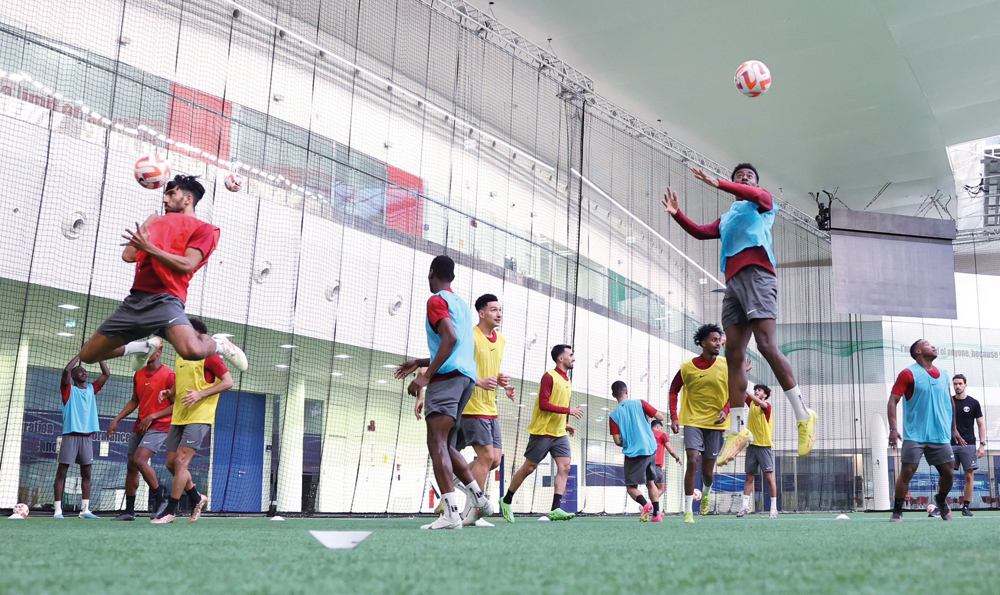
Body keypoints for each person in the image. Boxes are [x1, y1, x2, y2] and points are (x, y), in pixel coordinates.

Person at [664, 164, 816, 457]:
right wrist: (677, 215)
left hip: (758, 275)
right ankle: (737, 430)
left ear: (756, 184)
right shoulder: (726, 219)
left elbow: (753, 193)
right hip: (732, 284)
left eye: (749, 176)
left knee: (767, 345)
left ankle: (803, 415)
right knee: (733, 354)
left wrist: (720, 183)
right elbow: (699, 232)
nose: (743, 178)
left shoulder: (763, 203)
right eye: (739, 176)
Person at [76, 175, 247, 374]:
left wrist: (149, 247)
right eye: (164, 195)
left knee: (191, 351)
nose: (165, 200)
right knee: (87, 356)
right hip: (135, 302)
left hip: (166, 301)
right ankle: (142, 348)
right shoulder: (159, 223)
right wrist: (150, 221)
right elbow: (129, 255)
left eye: (171, 194)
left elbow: (187, 264)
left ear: (188, 199)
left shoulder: (205, 229)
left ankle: (218, 344)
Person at [396, 256, 492, 530]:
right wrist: (421, 361)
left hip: (447, 379)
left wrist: (426, 377)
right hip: (466, 379)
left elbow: (449, 338)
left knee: (436, 443)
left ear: (431, 272)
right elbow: (456, 345)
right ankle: (479, 499)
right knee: (447, 446)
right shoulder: (461, 304)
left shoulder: (436, 300)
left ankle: (450, 513)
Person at [151, 318, 233, 524]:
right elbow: (182, 383)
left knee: (181, 462)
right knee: (171, 464)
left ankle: (171, 511)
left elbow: (228, 382)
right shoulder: (181, 356)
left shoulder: (210, 357)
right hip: (179, 416)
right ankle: (197, 498)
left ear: (196, 334)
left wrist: (200, 394)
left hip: (199, 416)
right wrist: (169, 392)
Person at [499, 344, 584, 523]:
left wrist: (566, 424)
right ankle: (506, 500)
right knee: (529, 468)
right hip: (542, 432)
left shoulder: (567, 380)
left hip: (559, 433)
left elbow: (556, 405)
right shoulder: (549, 377)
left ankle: (555, 508)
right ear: (561, 359)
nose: (574, 358)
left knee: (565, 467)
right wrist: (568, 411)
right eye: (571, 355)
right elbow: (544, 404)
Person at [456, 294, 515, 526]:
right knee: (486, 456)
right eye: (493, 310)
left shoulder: (500, 340)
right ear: (482, 313)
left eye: (500, 310)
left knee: (496, 460)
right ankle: (474, 510)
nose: (498, 313)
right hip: (472, 405)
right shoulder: (469, 336)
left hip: (491, 407)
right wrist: (478, 382)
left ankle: (457, 478)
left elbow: (491, 368)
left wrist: (503, 382)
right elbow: (459, 366)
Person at [887, 339, 961, 522]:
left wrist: (954, 429)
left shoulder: (944, 374)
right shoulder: (908, 373)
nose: (934, 346)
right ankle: (897, 511)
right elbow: (893, 400)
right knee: (907, 471)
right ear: (918, 351)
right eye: (928, 344)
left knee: (949, 473)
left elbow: (950, 402)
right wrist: (893, 429)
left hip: (940, 434)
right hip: (915, 435)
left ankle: (941, 500)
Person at [669, 324, 731, 523]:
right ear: (703, 343)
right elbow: (673, 390)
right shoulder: (687, 367)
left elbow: (736, 390)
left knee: (707, 472)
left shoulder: (725, 364)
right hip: (693, 420)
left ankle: (706, 492)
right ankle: (688, 511)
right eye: (714, 340)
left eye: (720, 340)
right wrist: (674, 416)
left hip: (716, 423)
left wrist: (726, 410)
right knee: (693, 460)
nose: (718, 343)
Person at [107, 342, 174, 520]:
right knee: (131, 465)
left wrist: (153, 417)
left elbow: (177, 406)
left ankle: (161, 501)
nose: (148, 353)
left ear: (159, 352)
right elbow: (134, 400)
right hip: (141, 423)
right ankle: (129, 511)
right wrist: (117, 419)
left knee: (140, 460)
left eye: (152, 349)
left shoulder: (169, 375)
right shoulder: (138, 374)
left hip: (160, 424)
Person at [54, 356, 109, 519]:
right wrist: (81, 354)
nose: (84, 373)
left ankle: (85, 510)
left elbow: (106, 373)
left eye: (85, 371)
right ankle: (58, 510)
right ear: (73, 375)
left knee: (87, 472)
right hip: (70, 435)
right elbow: (66, 371)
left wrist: (99, 356)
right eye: (80, 371)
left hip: (87, 438)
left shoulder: (92, 389)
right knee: (62, 472)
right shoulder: (68, 389)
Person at [609, 381, 666, 522]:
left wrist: (629, 440)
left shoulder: (614, 415)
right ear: (626, 391)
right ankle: (657, 515)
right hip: (650, 450)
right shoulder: (640, 403)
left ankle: (645, 505)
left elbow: (617, 441)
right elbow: (660, 417)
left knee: (631, 488)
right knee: (651, 483)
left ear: (613, 395)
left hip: (633, 454)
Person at [737, 384, 778, 519]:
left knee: (769, 478)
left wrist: (748, 392)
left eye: (759, 390)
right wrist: (745, 372)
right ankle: (744, 506)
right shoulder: (752, 404)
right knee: (749, 477)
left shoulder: (766, 406)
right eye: (756, 390)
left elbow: (759, 402)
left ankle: (773, 508)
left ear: (765, 395)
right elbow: (742, 391)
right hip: (752, 446)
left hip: (764, 446)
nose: (756, 391)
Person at [951, 374, 986, 517]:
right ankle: (941, 505)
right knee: (945, 475)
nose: (957, 386)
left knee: (969, 476)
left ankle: (966, 507)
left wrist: (982, 444)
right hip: (950, 445)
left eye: (960, 383)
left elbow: (980, 424)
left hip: (969, 445)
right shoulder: (948, 402)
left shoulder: (973, 403)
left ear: (965, 385)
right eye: (955, 384)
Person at [650, 419, 682, 505]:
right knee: (661, 489)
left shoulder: (646, 434)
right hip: (656, 466)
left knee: (651, 487)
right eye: (661, 428)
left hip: (645, 465)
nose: (661, 430)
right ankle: (648, 505)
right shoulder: (662, 435)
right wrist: (677, 458)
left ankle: (652, 508)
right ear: (658, 427)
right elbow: (670, 449)